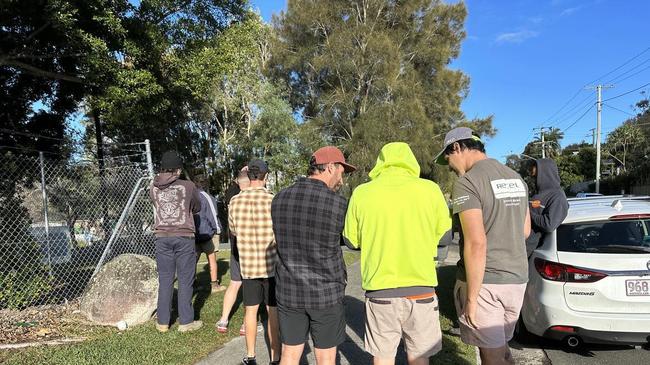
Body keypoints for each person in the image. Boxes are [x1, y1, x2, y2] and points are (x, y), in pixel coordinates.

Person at [343, 142, 451, 365]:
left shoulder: (362, 193)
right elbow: (445, 237)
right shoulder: (430, 190)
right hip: (421, 287)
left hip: (380, 290)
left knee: (382, 357)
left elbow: (350, 241)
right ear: (410, 161)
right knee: (419, 357)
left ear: (381, 162)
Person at [434, 127, 531, 365]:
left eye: (448, 160)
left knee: (491, 358)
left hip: (486, 283)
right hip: (516, 280)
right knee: (503, 351)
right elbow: (525, 230)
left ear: (457, 147)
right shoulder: (515, 177)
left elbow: (476, 243)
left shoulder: (467, 183)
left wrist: (471, 300)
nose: (451, 167)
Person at [272, 146, 356, 365]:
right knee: (326, 357)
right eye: (341, 171)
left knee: (289, 354)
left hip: (289, 292)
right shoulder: (339, 204)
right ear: (330, 167)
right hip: (325, 293)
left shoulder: (279, 199)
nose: (342, 178)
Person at [228, 160, 280, 365]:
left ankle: (251, 356)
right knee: (272, 310)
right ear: (266, 177)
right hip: (271, 265)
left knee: (250, 311)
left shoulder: (234, 202)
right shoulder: (273, 201)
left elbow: (232, 230)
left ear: (248, 177)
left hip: (248, 266)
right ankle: (275, 357)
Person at [150, 151, 203, 333]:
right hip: (184, 236)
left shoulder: (153, 186)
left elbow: (157, 206)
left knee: (165, 280)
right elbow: (197, 206)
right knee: (185, 280)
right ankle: (186, 321)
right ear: (178, 170)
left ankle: (163, 322)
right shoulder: (188, 186)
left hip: (162, 237)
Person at [216, 167, 256, 335]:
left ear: (238, 183)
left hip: (236, 247)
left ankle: (223, 320)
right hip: (253, 249)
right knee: (250, 286)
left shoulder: (233, 200)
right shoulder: (259, 198)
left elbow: (231, 228)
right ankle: (246, 324)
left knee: (234, 283)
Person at [525, 158, 568, 257]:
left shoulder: (557, 197)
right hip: (518, 246)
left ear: (545, 175)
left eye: (535, 176)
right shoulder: (536, 193)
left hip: (531, 252)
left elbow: (549, 224)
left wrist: (527, 212)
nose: (534, 179)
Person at [193, 174, 225, 293]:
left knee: (192, 261)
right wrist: (217, 230)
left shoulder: (190, 196)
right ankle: (214, 285)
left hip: (193, 234)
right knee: (212, 259)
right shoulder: (207, 197)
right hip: (207, 234)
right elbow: (213, 214)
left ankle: (193, 284)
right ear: (206, 184)